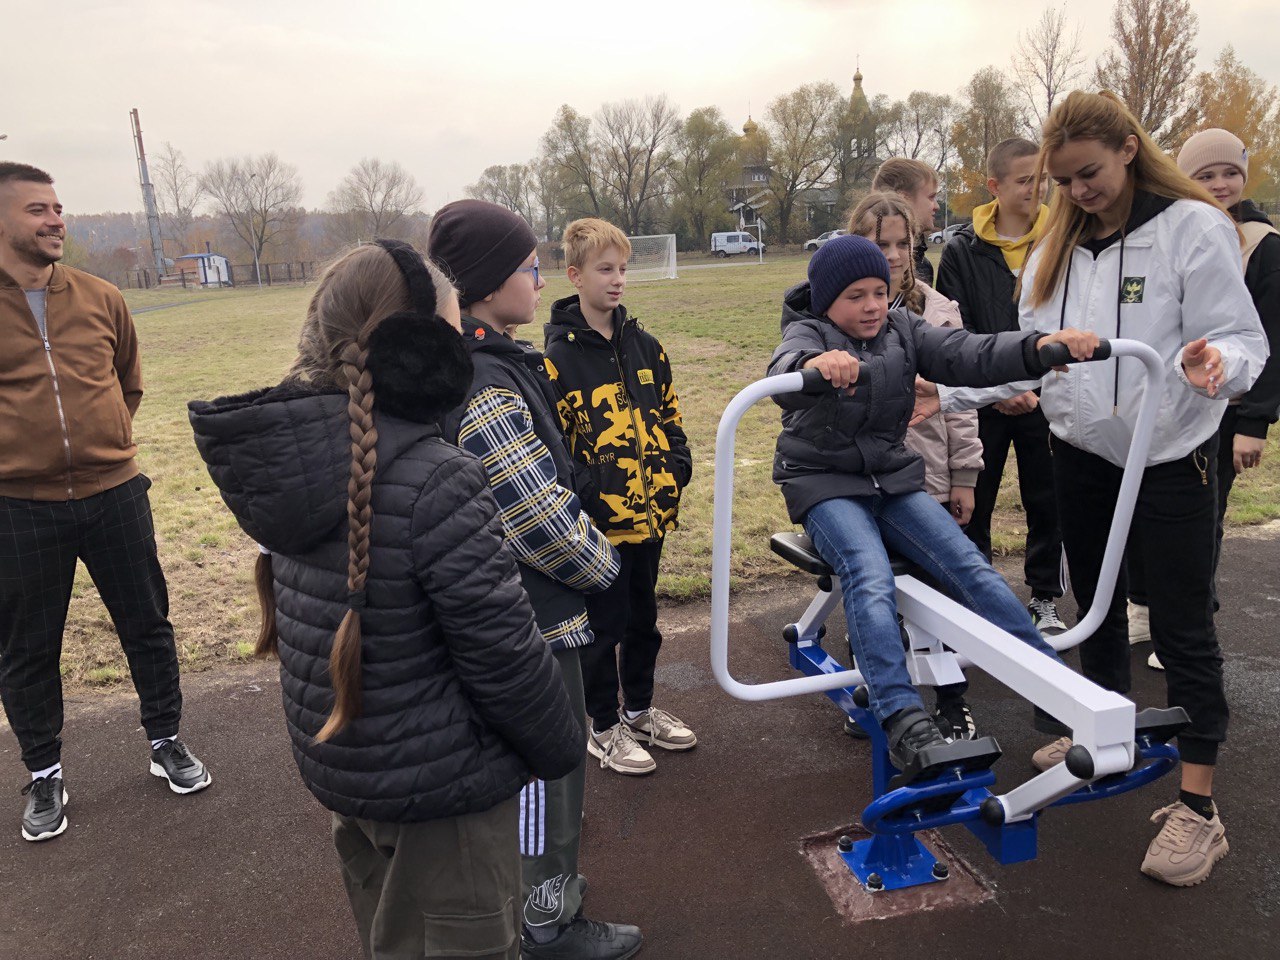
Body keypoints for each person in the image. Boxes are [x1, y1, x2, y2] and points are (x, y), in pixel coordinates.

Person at [190, 241, 583, 960]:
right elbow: (504, 657)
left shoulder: (299, 453)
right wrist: (559, 748)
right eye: (449, 328)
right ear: (415, 350)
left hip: (354, 775)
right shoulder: (437, 478)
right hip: (444, 796)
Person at [929, 91, 1267, 886]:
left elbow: (1243, 338)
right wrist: (946, 391)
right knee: (1097, 603)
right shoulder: (1057, 246)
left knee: (1183, 626)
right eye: (1063, 181)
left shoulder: (1192, 229)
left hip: (1170, 456)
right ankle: (1109, 734)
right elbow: (1029, 349)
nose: (1077, 192)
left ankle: (1199, 808)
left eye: (1088, 174)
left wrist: (1217, 366)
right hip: (1080, 455)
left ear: (1126, 148)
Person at [767, 233, 1093, 778]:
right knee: (868, 573)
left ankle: (1053, 685)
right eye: (855, 296)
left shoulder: (903, 329)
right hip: (823, 483)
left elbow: (970, 352)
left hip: (890, 481)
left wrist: (1038, 348)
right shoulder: (806, 332)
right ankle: (902, 717)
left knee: (970, 566)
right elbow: (785, 372)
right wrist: (816, 366)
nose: (872, 305)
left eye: (879, 291)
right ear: (826, 300)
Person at [428, 201, 642, 960]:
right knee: (544, 778)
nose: (540, 276)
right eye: (527, 266)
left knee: (542, 772)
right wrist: (603, 568)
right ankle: (544, 919)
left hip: (521, 613)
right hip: (532, 621)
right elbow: (534, 513)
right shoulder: (487, 379)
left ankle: (534, 906)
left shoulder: (494, 360)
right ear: (488, 283)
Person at [0, 162, 210, 845]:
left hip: (116, 494)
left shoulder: (100, 296)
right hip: (20, 509)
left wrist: (106, 443)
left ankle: (166, 741)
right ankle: (45, 772)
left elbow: (129, 383)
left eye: (57, 207)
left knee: (148, 623)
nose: (56, 219)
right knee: (28, 647)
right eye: (38, 209)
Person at [543, 218, 695, 776]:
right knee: (601, 628)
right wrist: (590, 498)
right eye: (605, 269)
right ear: (575, 274)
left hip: (650, 516)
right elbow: (558, 445)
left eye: (623, 269)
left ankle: (641, 709)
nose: (617, 280)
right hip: (599, 527)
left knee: (643, 621)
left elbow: (672, 417)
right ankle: (603, 726)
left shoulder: (646, 346)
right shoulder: (557, 360)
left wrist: (676, 467)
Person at [1129, 130, 1280, 672]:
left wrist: (1255, 421)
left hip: (1228, 407)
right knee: (1145, 510)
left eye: (1230, 173)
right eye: (1205, 175)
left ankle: (1192, 619)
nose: (1220, 184)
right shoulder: (1169, 230)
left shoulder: (1262, 245)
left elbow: (1268, 337)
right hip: (1170, 404)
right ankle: (1144, 606)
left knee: (1201, 518)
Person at [846, 192, 983, 741]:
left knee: (942, 589)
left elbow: (963, 398)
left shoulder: (939, 309)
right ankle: (879, 688)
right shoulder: (840, 312)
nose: (896, 255)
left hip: (930, 473)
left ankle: (952, 701)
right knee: (871, 585)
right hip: (866, 479)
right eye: (882, 245)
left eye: (904, 243)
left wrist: (965, 476)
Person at [936, 138, 1067, 635]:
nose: (1036, 188)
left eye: (1042, 179)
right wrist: (999, 387)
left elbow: (1065, 322)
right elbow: (955, 331)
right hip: (982, 400)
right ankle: (980, 597)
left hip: (1047, 397)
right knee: (974, 500)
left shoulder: (1060, 240)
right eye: (1023, 180)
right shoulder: (962, 250)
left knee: (1047, 499)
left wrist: (1034, 384)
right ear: (994, 186)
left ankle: (1045, 599)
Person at [872, 157, 940, 286]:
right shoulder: (861, 266)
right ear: (904, 199)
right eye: (931, 197)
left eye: (903, 244)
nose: (937, 206)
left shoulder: (923, 265)